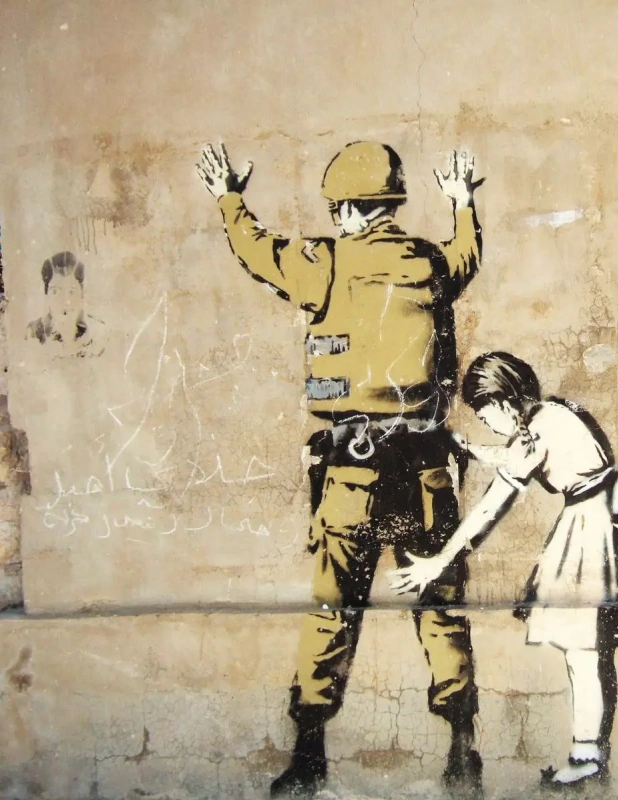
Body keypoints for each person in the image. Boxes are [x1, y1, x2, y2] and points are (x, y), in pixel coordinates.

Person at [197, 142, 484, 798]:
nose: (336, 219)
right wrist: (463, 203)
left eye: (336, 209)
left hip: (353, 473)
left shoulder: (323, 263)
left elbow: (258, 252)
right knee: (439, 606)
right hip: (425, 471)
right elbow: (465, 256)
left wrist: (229, 198)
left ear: (350, 208)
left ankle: (308, 757)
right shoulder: (430, 263)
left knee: (333, 609)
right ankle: (462, 752)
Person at [391, 352, 618, 788]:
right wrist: (468, 448)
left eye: (484, 414)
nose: (485, 422)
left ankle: (586, 754)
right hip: (606, 518)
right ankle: (590, 750)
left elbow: (492, 505)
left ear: (501, 402)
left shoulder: (538, 430)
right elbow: (511, 455)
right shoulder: (551, 414)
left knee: (582, 651)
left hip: (591, 527)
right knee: (591, 650)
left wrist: (441, 559)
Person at [27, 251, 97, 354]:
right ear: (47, 294)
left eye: (72, 292)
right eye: (55, 292)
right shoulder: (33, 333)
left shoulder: (96, 335)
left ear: (81, 294)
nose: (65, 301)